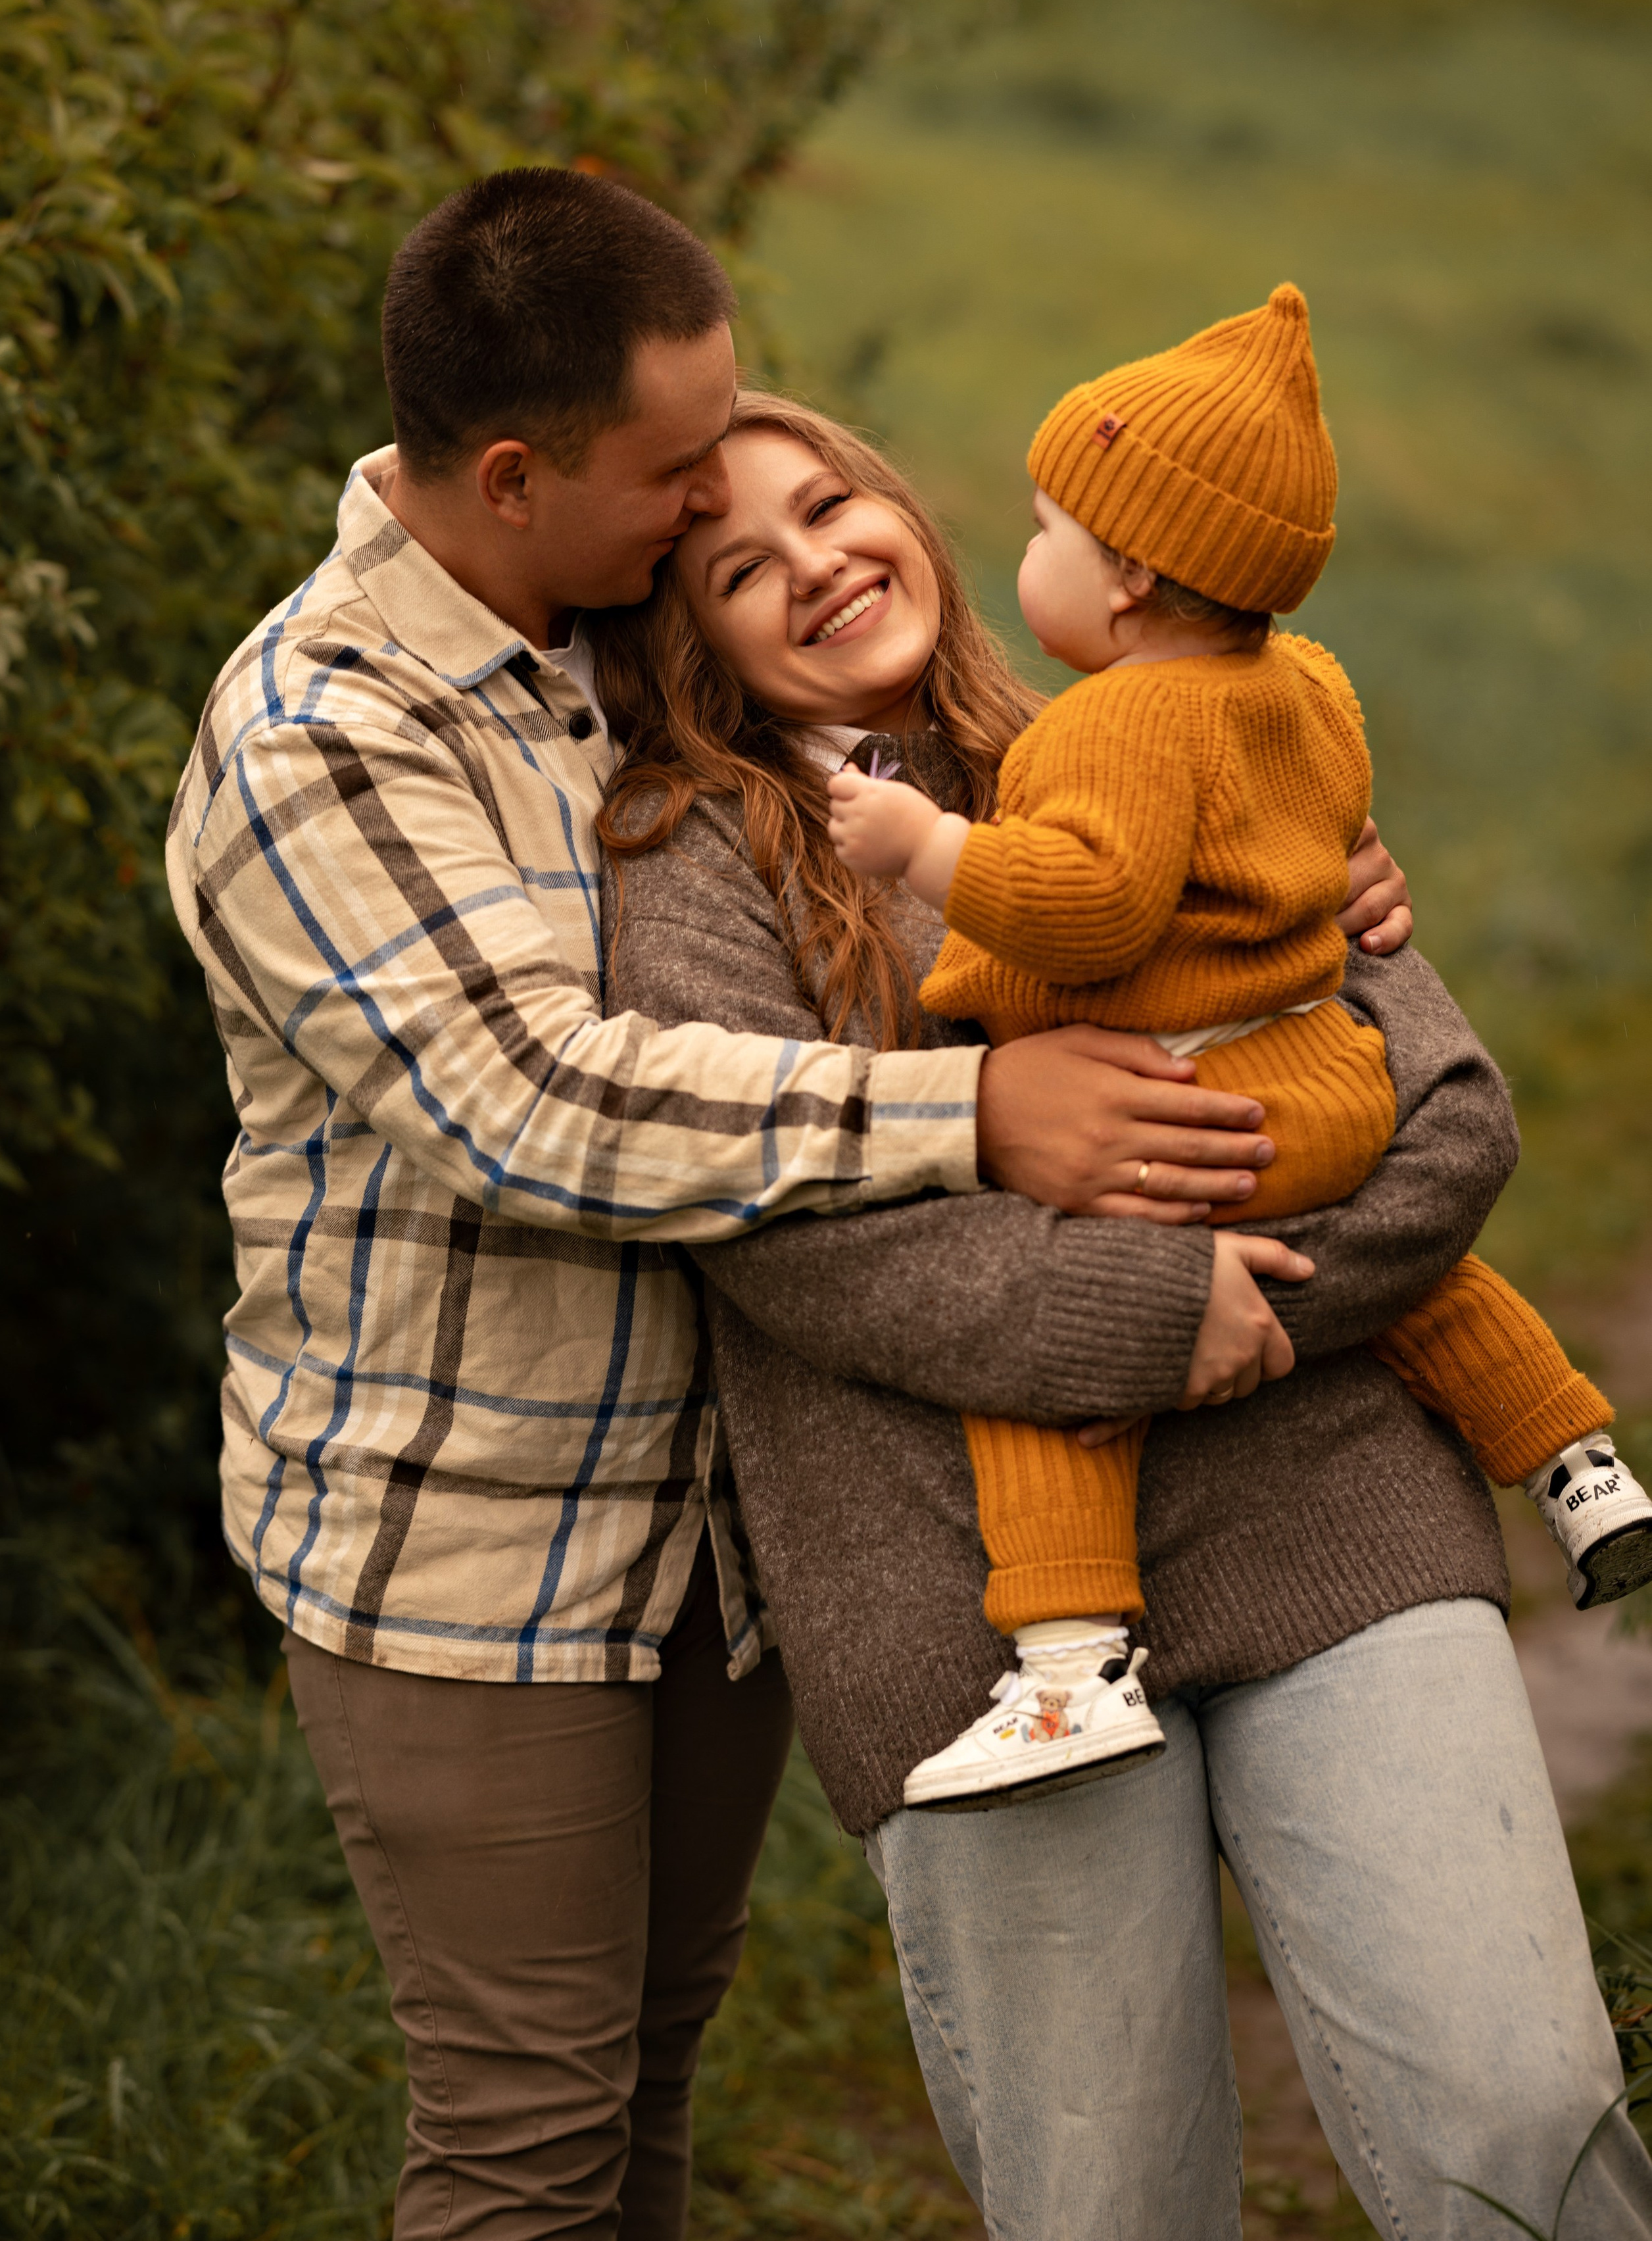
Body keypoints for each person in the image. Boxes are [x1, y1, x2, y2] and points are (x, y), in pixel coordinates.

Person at [164, 166, 1303, 2240]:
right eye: (679, 469)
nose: (715, 509)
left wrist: (1269, 880)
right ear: (514, 475)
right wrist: (973, 1111)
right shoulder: (322, 734)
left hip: (706, 1527)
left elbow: (932, 782)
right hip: (470, 1544)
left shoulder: (600, 633)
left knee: (644, 2092)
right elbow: (533, 1101)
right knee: (522, 2138)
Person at [593, 386, 1652, 2238]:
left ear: (905, 506)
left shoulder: (1180, 716)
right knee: (1110, 2202)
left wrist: (1244, 1310)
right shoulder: (691, 866)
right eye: (738, 564)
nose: (815, 564)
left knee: (1525, 2114)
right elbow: (788, 1240)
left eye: (832, 504)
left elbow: (1445, 1115)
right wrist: (1151, 1307)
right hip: (972, 1611)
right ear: (690, 633)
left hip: (1331, 1505)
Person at [825, 283, 1652, 1806]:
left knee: (1056, 1389)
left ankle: (1067, 1661)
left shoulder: (1105, 726)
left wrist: (925, 845)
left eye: (1041, 531)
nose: (1020, 560)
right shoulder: (1308, 680)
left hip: (1191, 1103)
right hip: (1325, 1078)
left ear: (1129, 573)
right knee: (1436, 1289)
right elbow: (1317, 846)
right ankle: (1574, 1461)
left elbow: (1090, 907)